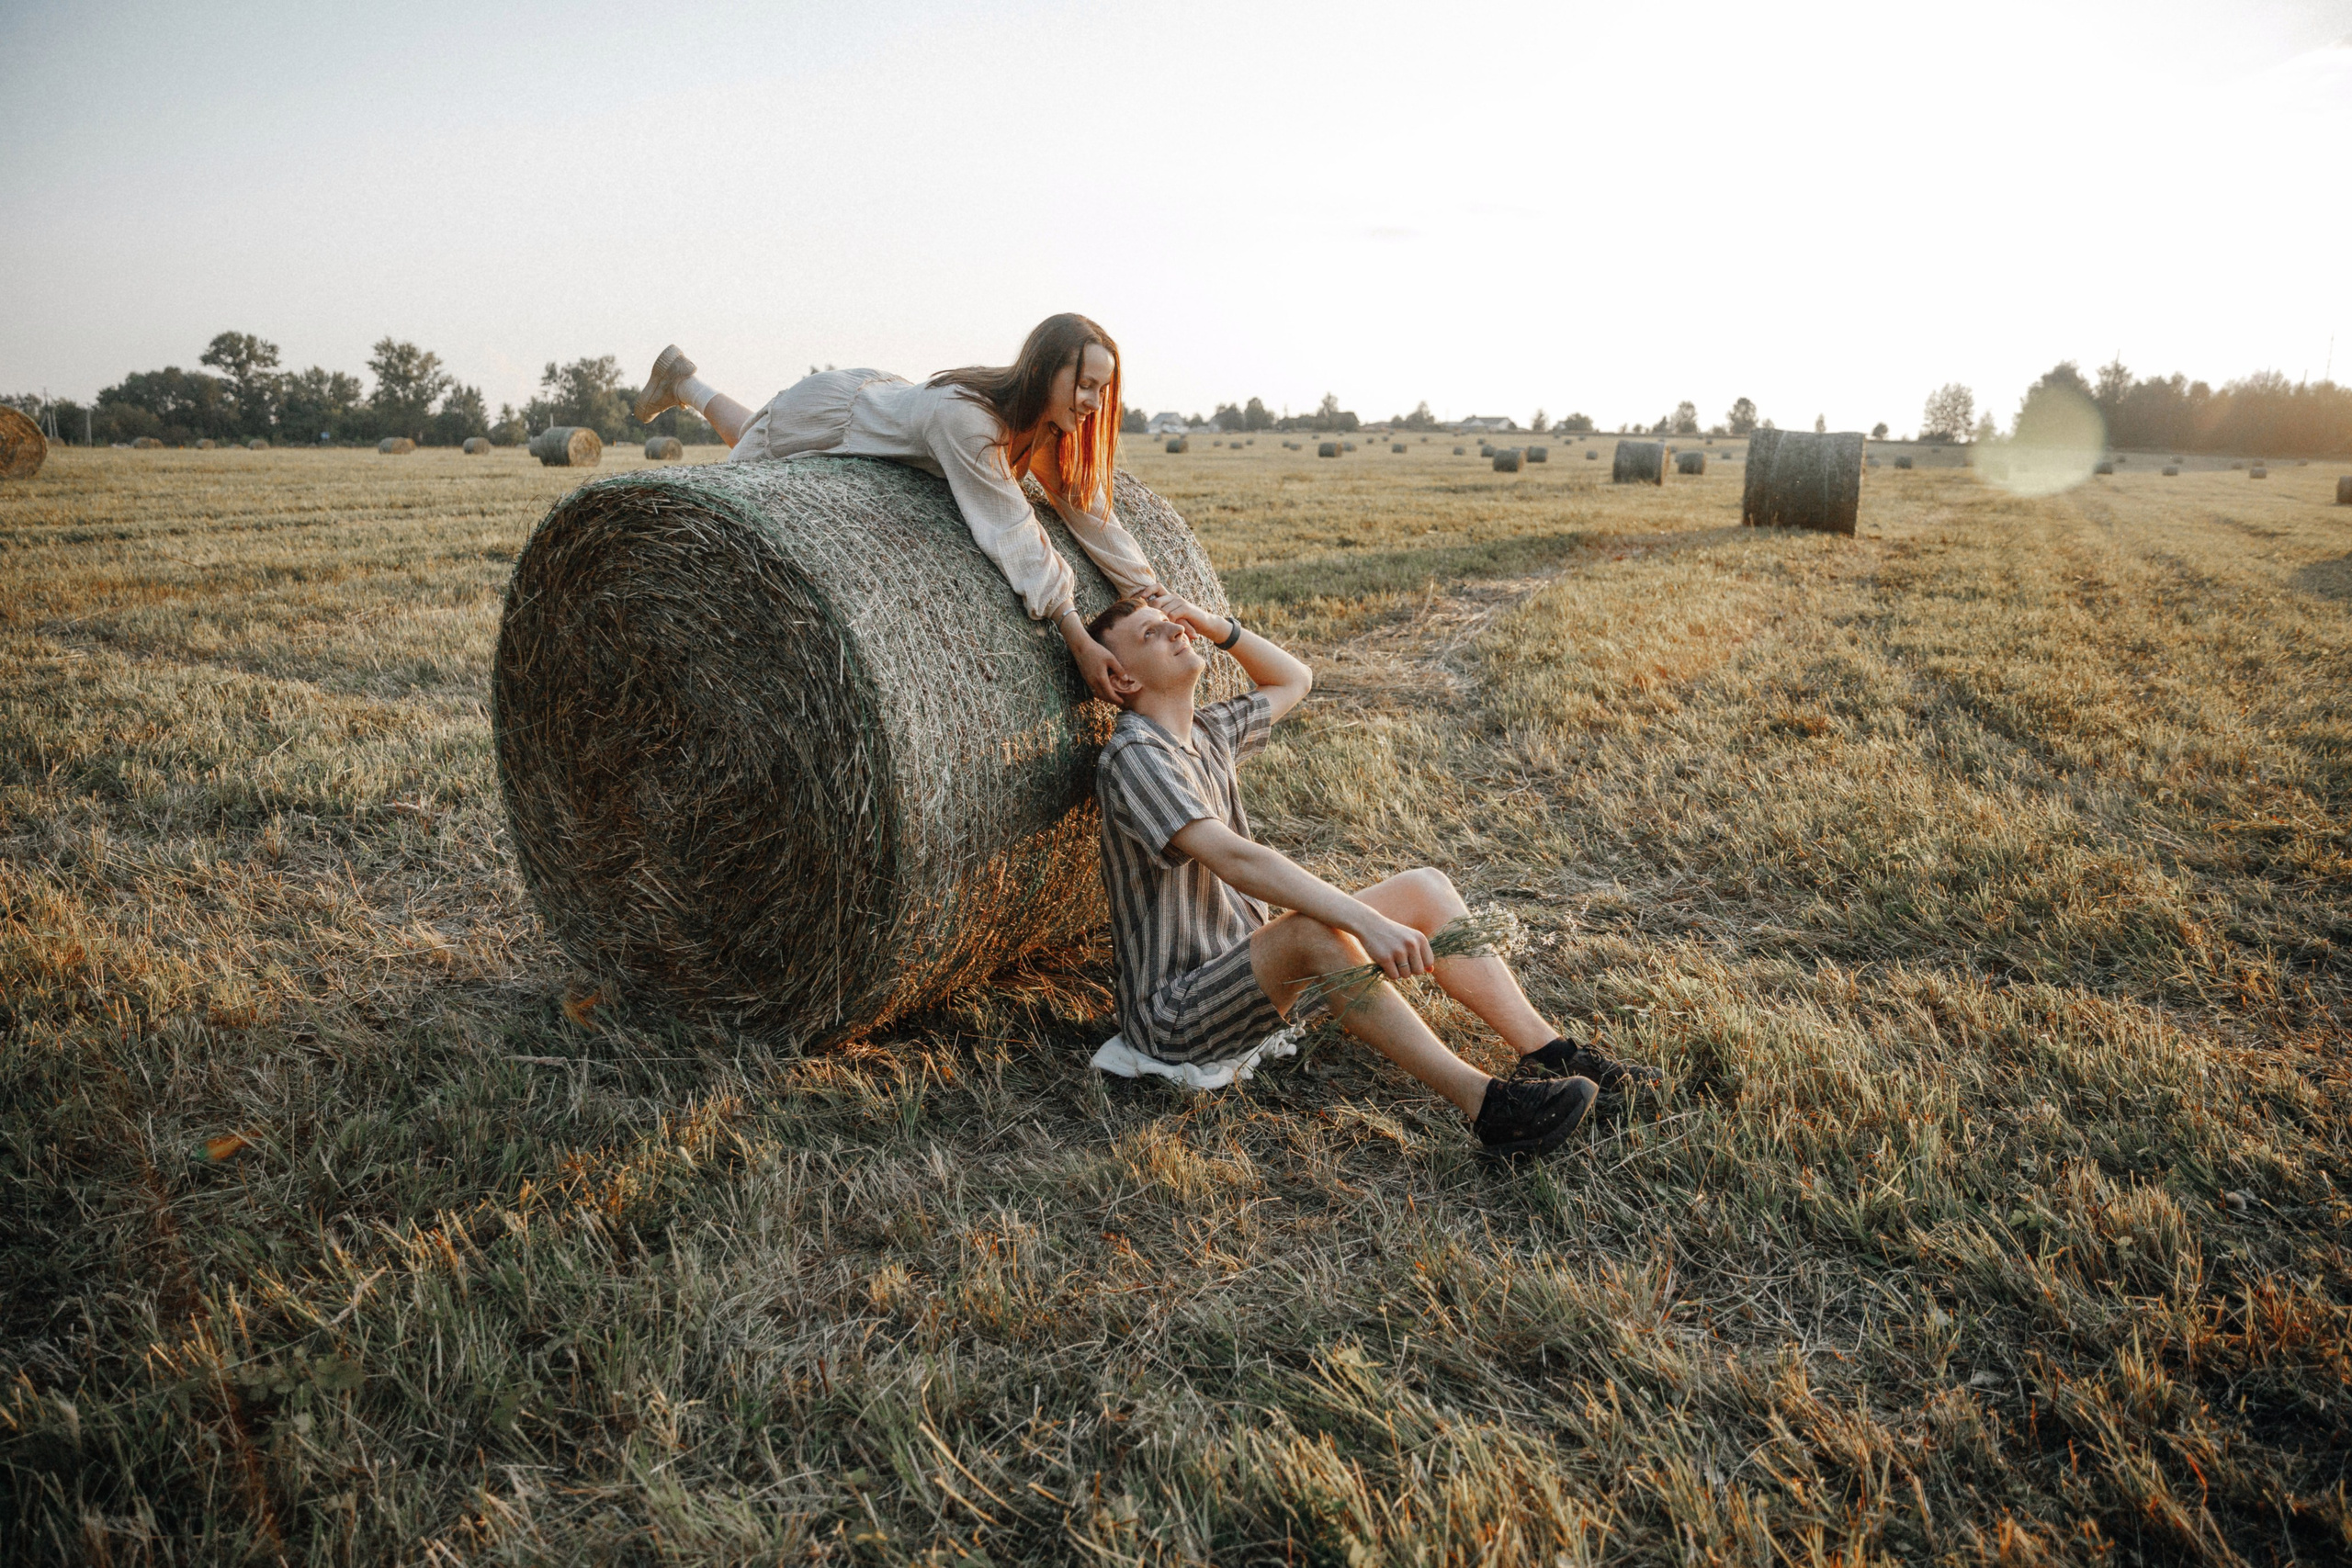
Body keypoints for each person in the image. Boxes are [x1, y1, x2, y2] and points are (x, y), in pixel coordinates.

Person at [1090, 588, 1660, 1156]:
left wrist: (1216, 625)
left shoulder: (1207, 734)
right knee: (1314, 929)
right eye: (1151, 634)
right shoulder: (1134, 756)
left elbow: (1294, 680)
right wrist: (1367, 925)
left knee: (1424, 887)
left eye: (1171, 623)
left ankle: (1552, 1052)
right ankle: (1490, 1108)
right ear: (1124, 680)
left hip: (1249, 970)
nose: (1174, 631)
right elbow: (1239, 861)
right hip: (1177, 1014)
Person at [632, 313, 1158, 704]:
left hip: (880, 397)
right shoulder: (967, 420)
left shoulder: (1045, 423)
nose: (1093, 403)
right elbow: (1011, 529)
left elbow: (1089, 512)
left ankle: (683, 379)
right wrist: (1077, 636)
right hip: (833, 413)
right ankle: (683, 384)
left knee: (747, 434)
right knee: (737, 480)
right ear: (1045, 371)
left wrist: (1149, 589)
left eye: (1101, 390)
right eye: (1085, 385)